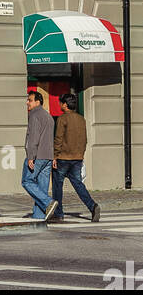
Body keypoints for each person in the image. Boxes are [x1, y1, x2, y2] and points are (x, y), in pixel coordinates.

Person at [51, 93, 100, 223]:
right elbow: (84, 139)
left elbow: (58, 138)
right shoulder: (81, 119)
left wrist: (55, 156)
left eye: (61, 102)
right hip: (77, 158)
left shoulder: (62, 118)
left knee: (57, 186)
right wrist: (81, 154)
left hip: (63, 157)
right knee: (78, 185)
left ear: (65, 105)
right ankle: (92, 206)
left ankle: (58, 213)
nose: (60, 104)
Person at [22, 90, 59, 221]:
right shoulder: (48, 116)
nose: (27, 102)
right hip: (48, 156)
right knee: (42, 188)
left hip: (37, 155)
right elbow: (50, 138)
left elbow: (33, 138)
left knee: (27, 181)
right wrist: (53, 156)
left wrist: (31, 156)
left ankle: (48, 202)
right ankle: (39, 216)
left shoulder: (34, 115)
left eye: (30, 100)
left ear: (38, 102)